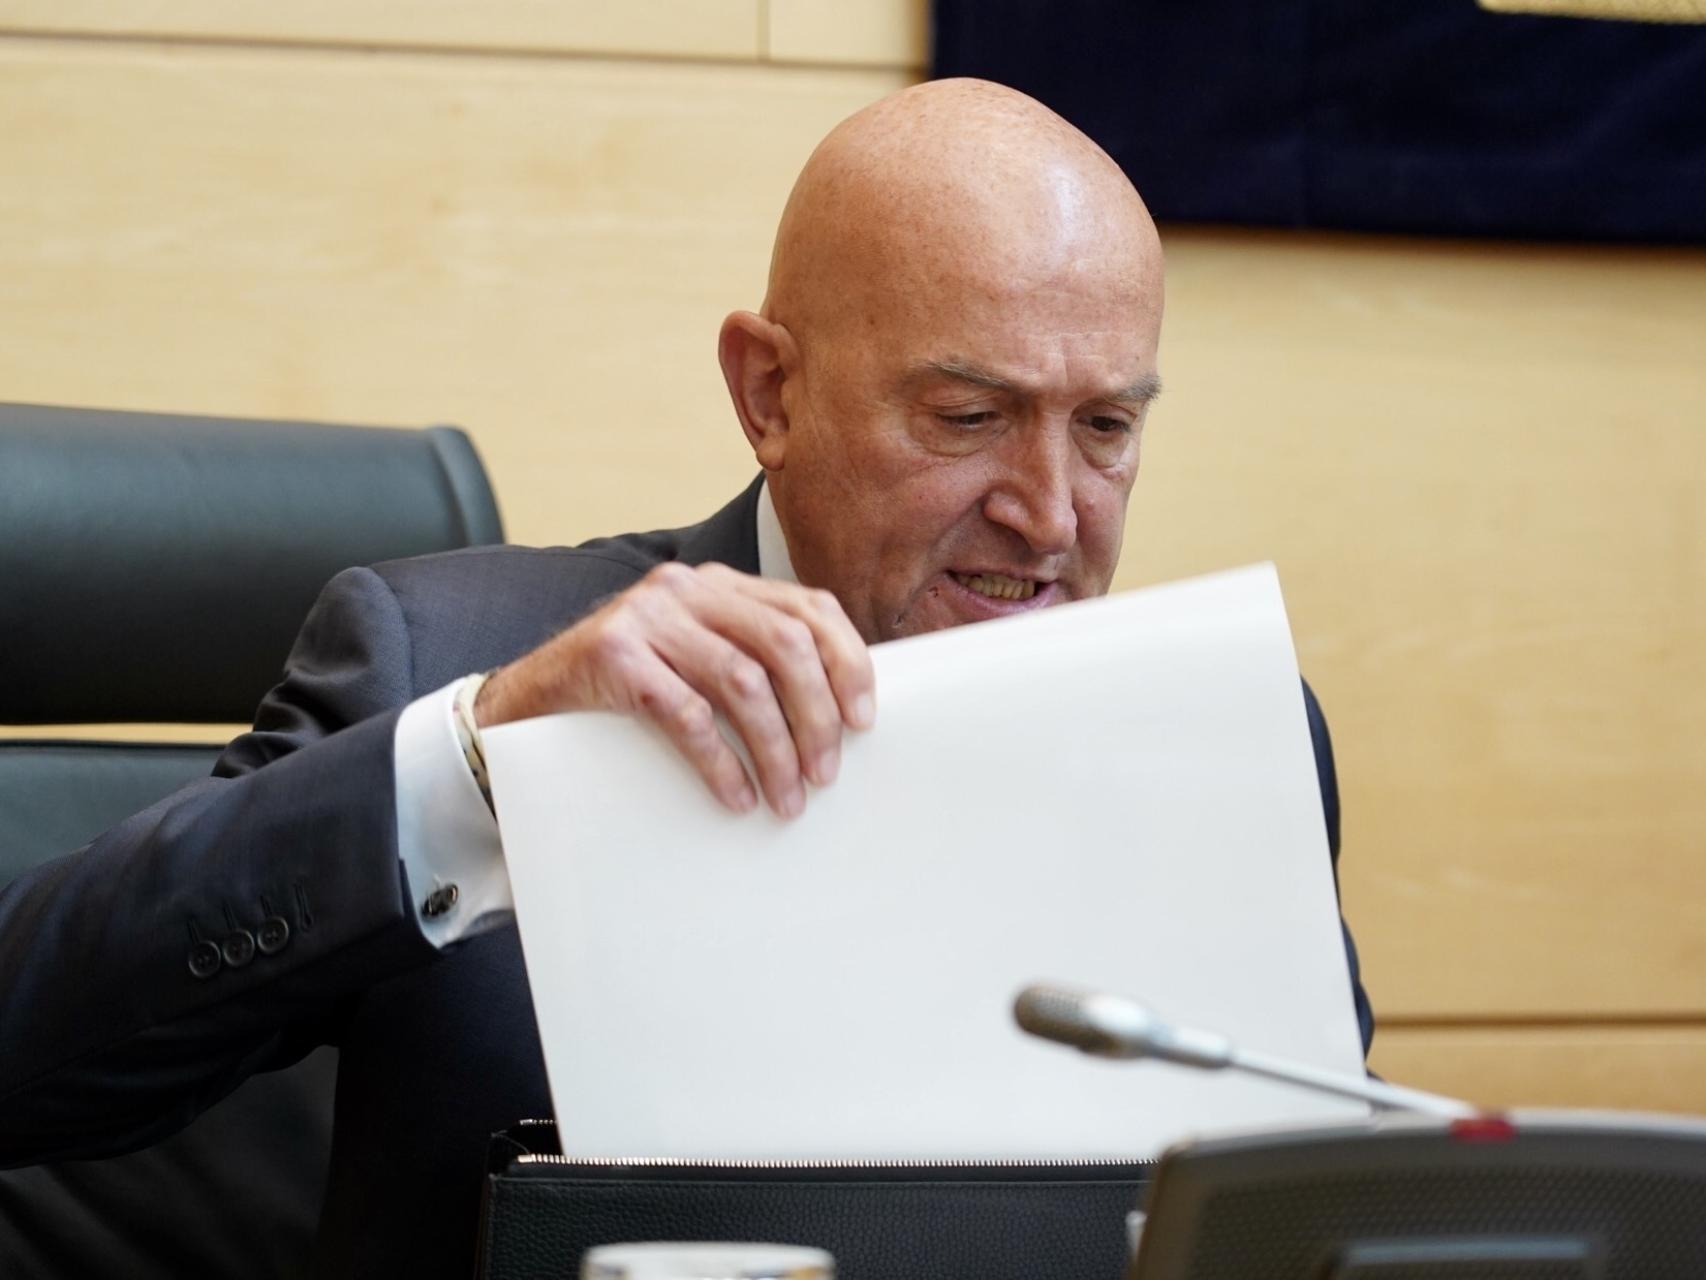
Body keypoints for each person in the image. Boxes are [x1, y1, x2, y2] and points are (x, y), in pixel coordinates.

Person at [0, 79, 1371, 1277]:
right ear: (768, 392)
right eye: (969, 417)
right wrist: (476, 765)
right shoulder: (452, 658)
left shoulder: (1229, 738)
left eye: (1106, 428)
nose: (1054, 512)